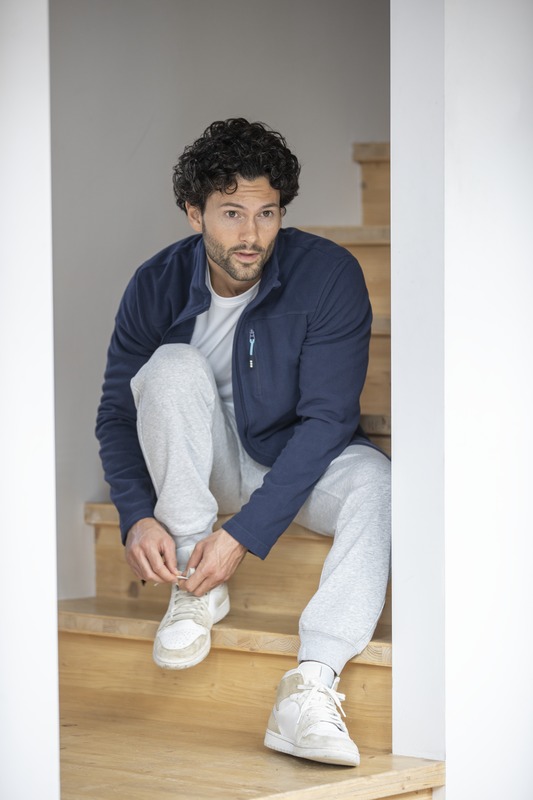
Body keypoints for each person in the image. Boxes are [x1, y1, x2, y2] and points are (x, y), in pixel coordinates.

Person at [96, 118, 390, 767]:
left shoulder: (328, 274)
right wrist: (137, 514)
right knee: (171, 367)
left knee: (377, 482)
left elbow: (325, 422)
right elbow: (117, 414)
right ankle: (194, 585)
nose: (251, 234)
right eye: (231, 214)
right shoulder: (155, 283)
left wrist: (242, 536)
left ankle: (311, 683)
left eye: (267, 213)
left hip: (297, 461)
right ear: (193, 212)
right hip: (207, 467)